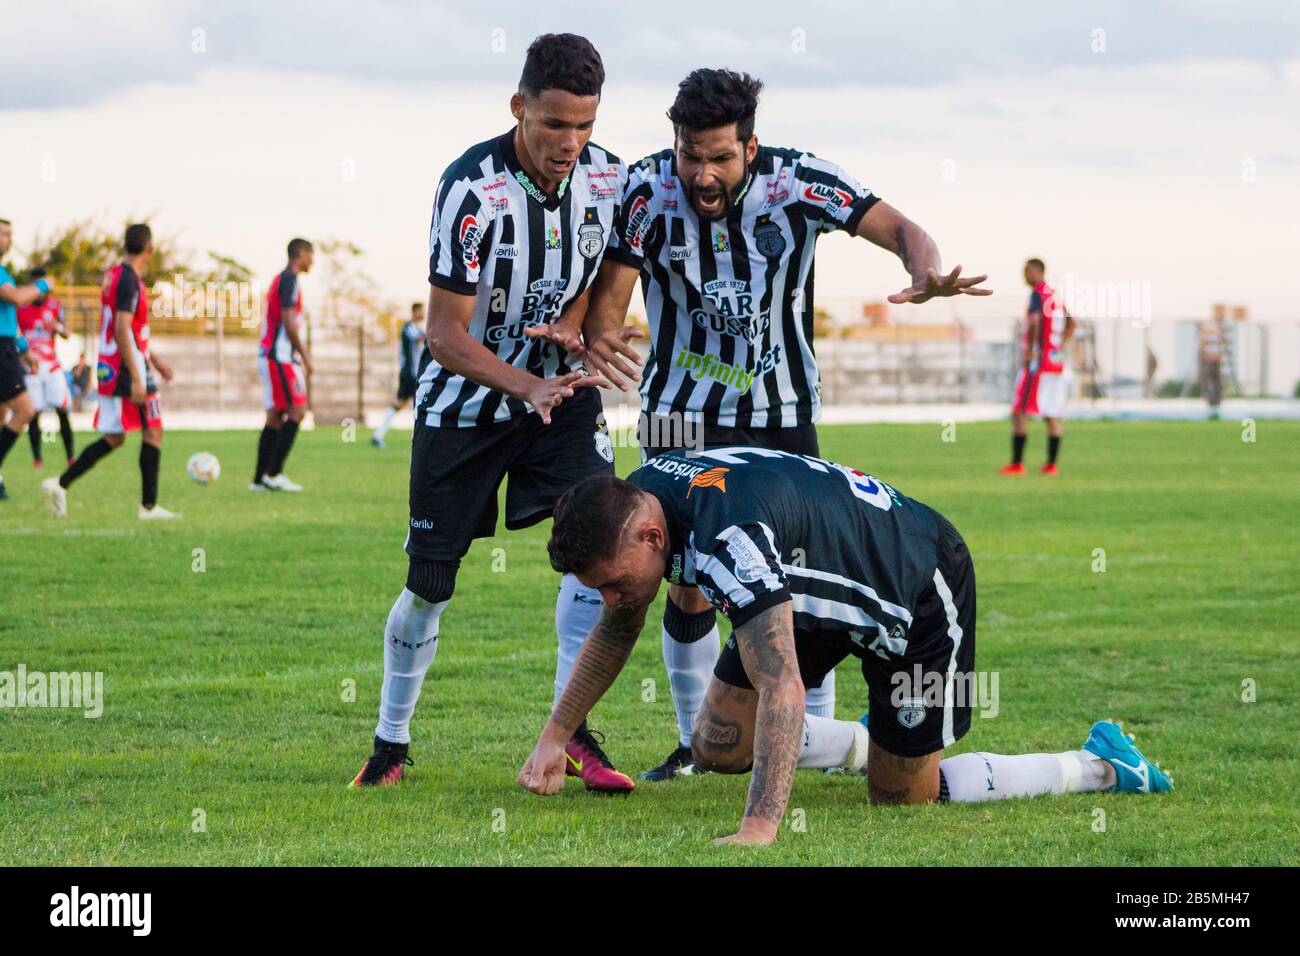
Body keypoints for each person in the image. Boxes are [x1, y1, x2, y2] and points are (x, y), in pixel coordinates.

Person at [577, 68, 991, 779]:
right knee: (688, 578)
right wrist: (602, 334)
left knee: (798, 582)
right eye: (690, 155)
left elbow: (897, 227)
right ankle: (692, 745)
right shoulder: (645, 191)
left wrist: (924, 268)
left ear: (751, 145)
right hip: (681, 415)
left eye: (719, 157)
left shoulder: (799, 181)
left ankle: (811, 740)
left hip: (781, 412)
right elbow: (610, 302)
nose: (703, 174)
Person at [520, 448, 1172, 845]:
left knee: (902, 799)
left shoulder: (730, 543)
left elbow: (782, 687)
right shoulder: (642, 496)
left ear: (651, 539)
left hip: (913, 585)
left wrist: (761, 827)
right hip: (810, 592)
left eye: (608, 583)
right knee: (718, 746)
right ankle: (868, 739)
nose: (608, 599)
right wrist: (555, 738)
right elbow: (617, 629)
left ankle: (1099, 766)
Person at [350, 34, 634, 793]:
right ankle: (390, 745)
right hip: (465, 407)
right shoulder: (470, 189)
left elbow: (614, 263)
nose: (569, 144)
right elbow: (444, 335)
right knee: (430, 585)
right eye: (553, 126)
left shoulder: (611, 177)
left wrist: (581, 319)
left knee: (598, 546)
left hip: (562, 400)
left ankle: (571, 732)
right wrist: (523, 385)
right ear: (519, 108)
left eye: (584, 125)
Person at [42, 223, 179, 519]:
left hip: (111, 365)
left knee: (115, 436)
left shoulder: (113, 276)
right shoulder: (129, 280)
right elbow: (121, 328)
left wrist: (154, 360)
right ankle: (149, 507)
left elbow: (131, 329)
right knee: (153, 431)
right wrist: (138, 375)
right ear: (149, 249)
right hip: (126, 366)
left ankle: (61, 483)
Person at [252, 238, 313, 492]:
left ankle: (259, 480)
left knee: (275, 417)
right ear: (300, 254)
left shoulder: (281, 279)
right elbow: (289, 323)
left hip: (271, 355)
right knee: (297, 411)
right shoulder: (289, 279)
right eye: (311, 255)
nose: (313, 261)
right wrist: (305, 355)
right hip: (280, 357)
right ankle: (274, 474)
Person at [1003, 258, 1075, 476]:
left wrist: (1031, 351)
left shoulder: (1038, 294)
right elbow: (1072, 322)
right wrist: (1059, 343)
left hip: (1038, 364)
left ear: (1037, 271)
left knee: (1020, 411)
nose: (1024, 275)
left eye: (1027, 271)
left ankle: (1017, 464)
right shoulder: (1055, 296)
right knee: (1051, 412)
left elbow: (1035, 322)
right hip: (1055, 363)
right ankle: (1051, 465)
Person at [0, 219, 55, 501]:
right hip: (0, 350)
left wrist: (23, 347)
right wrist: (43, 285)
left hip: (7, 347)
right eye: (2, 234)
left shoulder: (4, 271)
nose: (7, 239)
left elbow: (5, 317)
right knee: (25, 410)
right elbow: (17, 299)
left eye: (10, 234)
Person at [17, 268, 75, 467]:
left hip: (51, 366)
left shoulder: (55, 306)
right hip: (30, 368)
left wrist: (57, 327)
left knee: (61, 408)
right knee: (33, 412)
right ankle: (37, 458)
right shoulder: (20, 307)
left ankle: (70, 455)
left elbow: (67, 332)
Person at [371, 302, 426, 448]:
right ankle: (419, 439)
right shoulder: (409, 328)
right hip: (410, 373)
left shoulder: (415, 328)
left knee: (400, 404)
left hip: (412, 373)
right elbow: (422, 339)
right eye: (421, 311)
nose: (423, 313)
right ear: (414, 312)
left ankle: (378, 435)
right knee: (420, 404)